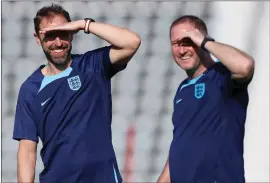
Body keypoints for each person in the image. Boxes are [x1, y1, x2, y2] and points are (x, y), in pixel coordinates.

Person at [12, 3, 141, 183]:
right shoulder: (30, 89)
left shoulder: (92, 66)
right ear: (37, 38)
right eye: (50, 35)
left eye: (63, 33)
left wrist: (83, 25)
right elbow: (27, 150)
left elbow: (131, 42)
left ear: (72, 33)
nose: (58, 42)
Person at [157, 15, 254, 183]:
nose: (181, 50)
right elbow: (179, 146)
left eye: (187, 42)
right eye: (175, 44)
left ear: (201, 40)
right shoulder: (182, 90)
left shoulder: (223, 76)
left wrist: (204, 41)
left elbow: (245, 66)